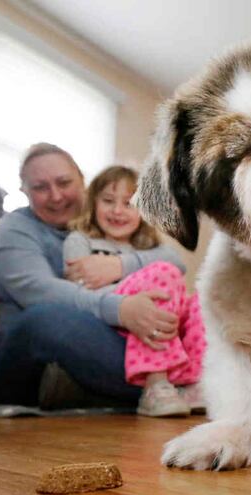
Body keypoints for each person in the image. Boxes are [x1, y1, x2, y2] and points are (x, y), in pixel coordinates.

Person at [0, 143, 187, 409]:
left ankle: (166, 384)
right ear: (24, 191)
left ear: (83, 181)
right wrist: (122, 309)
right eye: (40, 187)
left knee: (194, 307)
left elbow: (174, 260)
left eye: (64, 182)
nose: (56, 196)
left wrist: (120, 265)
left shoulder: (108, 224)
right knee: (45, 317)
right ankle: (175, 385)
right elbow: (39, 291)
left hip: (111, 342)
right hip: (29, 357)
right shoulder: (14, 228)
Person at [64, 166, 205, 417]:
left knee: (203, 299)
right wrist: (134, 296)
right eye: (108, 201)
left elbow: (177, 263)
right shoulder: (80, 240)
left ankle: (194, 384)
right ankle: (155, 384)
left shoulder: (148, 246)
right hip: (116, 315)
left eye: (129, 203)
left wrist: (118, 267)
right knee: (162, 274)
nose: (118, 211)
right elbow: (78, 290)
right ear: (93, 203)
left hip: (162, 316)